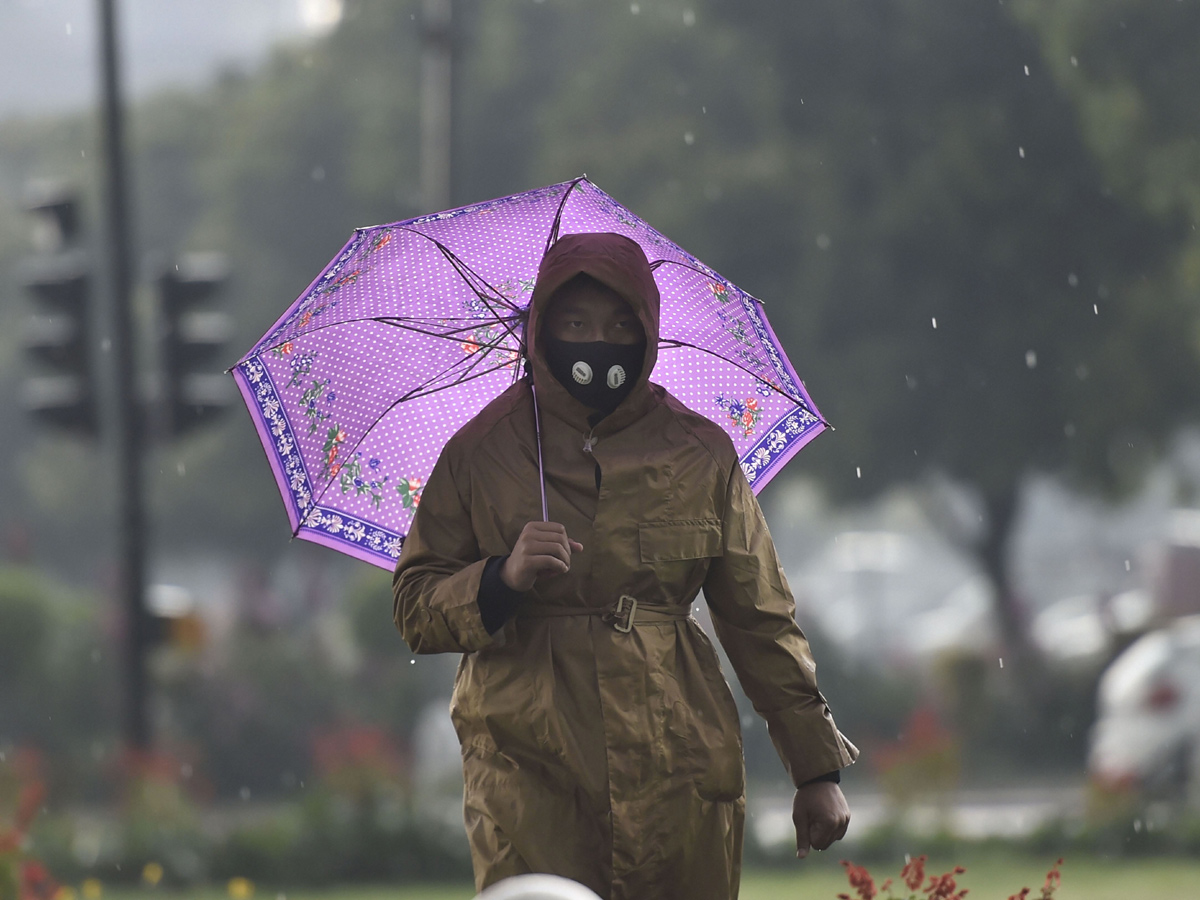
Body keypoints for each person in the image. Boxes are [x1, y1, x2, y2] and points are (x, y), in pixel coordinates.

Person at [393, 232, 857, 900]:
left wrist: (816, 771)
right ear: (540, 329)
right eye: (575, 323)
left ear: (648, 331)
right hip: (530, 766)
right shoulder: (479, 452)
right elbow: (414, 605)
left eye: (618, 324)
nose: (597, 341)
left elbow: (759, 618)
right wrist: (500, 579)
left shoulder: (701, 451)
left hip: (679, 760)